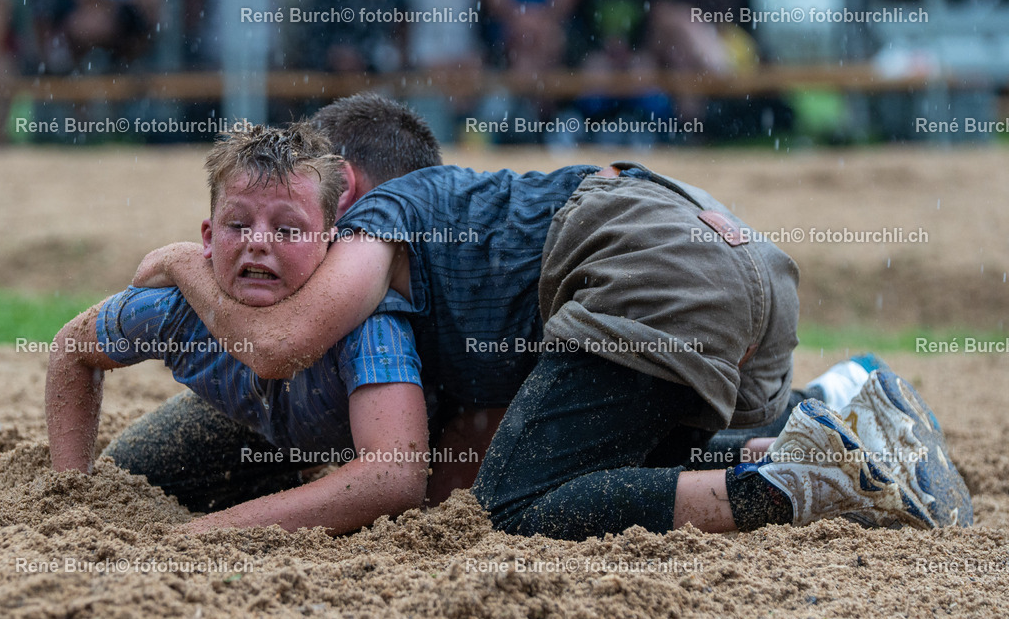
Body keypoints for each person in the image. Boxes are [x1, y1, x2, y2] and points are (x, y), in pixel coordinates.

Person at [135, 148, 972, 541]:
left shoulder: (382, 220)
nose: (285, 241)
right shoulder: (469, 261)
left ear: (347, 195)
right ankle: (832, 416)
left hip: (655, 267)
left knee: (517, 503)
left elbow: (281, 346)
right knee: (638, 454)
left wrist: (183, 261)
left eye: (300, 218)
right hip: (737, 260)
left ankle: (785, 487)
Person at [46, 121, 430, 535]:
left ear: (331, 244)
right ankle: (290, 476)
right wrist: (72, 491)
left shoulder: (368, 323)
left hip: (375, 433)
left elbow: (393, 478)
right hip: (257, 427)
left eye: (288, 229)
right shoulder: (176, 306)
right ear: (208, 239)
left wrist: (202, 532)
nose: (258, 241)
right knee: (132, 469)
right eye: (238, 225)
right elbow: (72, 347)